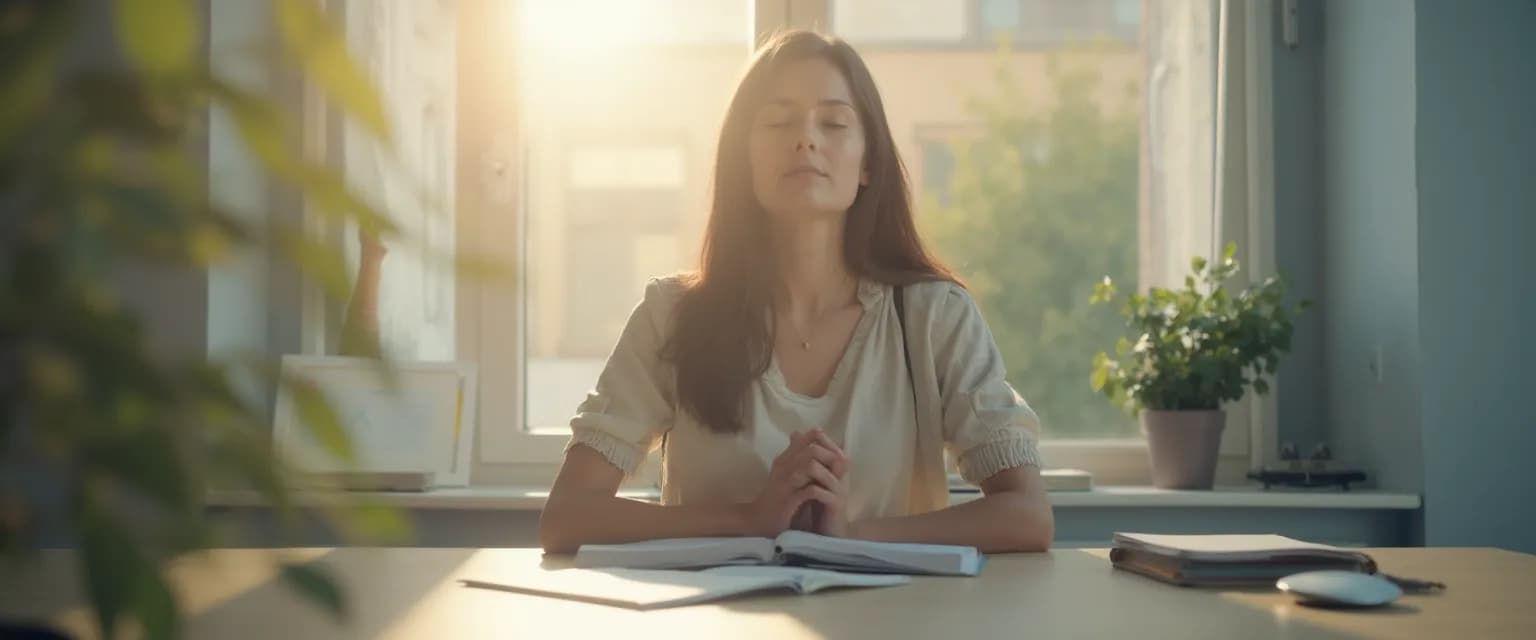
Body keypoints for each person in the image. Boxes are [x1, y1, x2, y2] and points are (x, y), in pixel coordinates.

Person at [540, 30, 1053, 554]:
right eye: (779, 121)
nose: (805, 139)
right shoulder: (671, 315)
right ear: (744, 157)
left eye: (833, 123)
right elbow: (567, 515)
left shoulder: (935, 317)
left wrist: (855, 536)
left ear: (868, 163)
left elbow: (1027, 515)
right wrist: (750, 520)